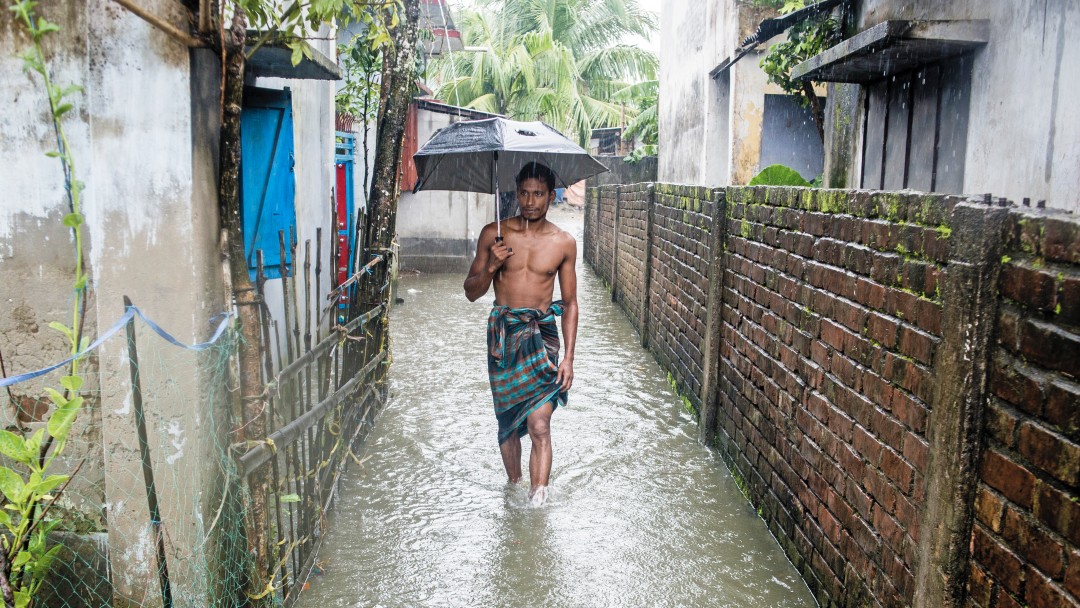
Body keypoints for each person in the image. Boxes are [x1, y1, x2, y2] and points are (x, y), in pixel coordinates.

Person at [463, 162, 578, 505]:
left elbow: (570, 304)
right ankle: (513, 488)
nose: (530, 201)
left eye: (538, 194)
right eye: (524, 193)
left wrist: (569, 359)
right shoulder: (493, 234)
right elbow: (471, 291)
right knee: (509, 422)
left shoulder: (564, 242)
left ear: (551, 196)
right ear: (516, 192)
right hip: (504, 336)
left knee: (539, 424)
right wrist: (492, 266)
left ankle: (538, 498)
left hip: (542, 336)